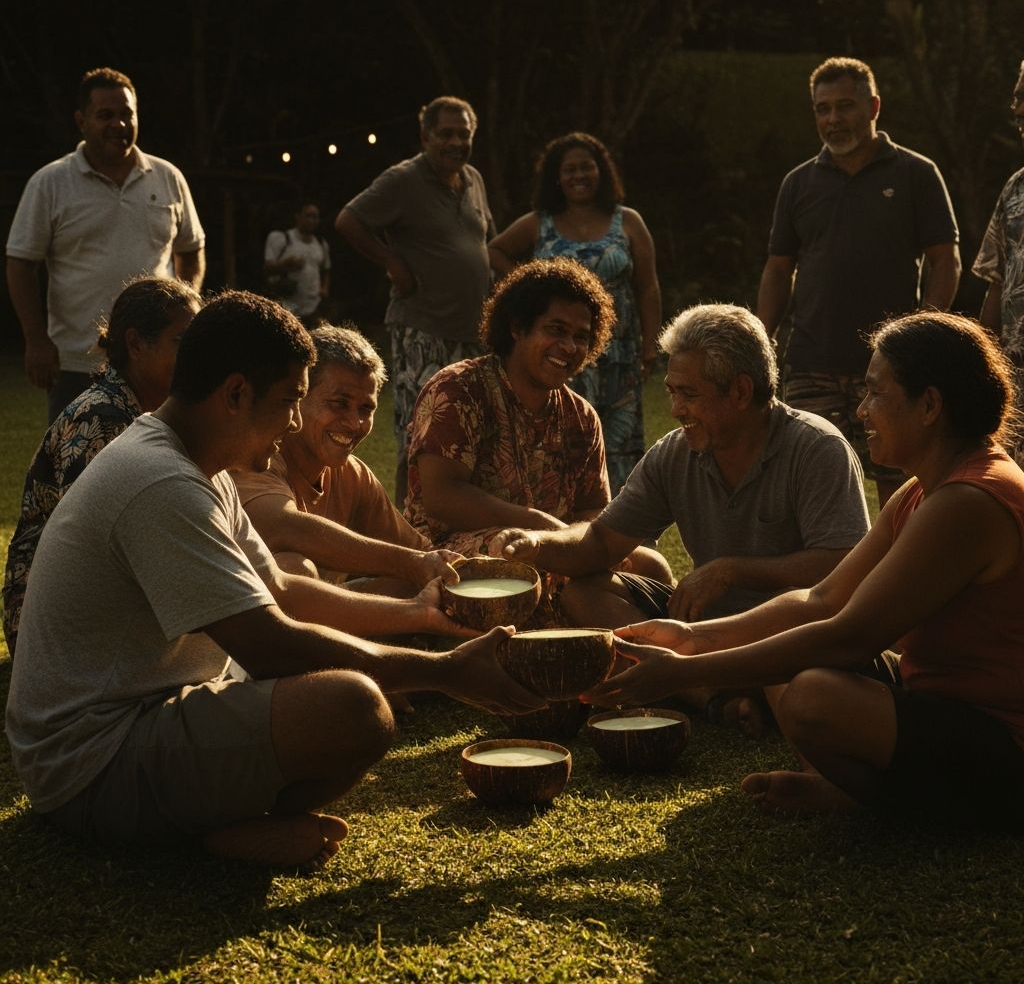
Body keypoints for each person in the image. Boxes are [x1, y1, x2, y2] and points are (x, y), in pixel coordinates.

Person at [5, 290, 544, 871]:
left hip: (150, 714)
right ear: (235, 394)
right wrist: (445, 671)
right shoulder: (160, 480)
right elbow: (270, 643)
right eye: (291, 400)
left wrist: (420, 614)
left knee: (345, 695)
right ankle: (203, 836)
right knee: (354, 707)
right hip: (91, 762)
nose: (294, 420)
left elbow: (282, 593)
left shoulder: (200, 465)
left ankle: (224, 824)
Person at [588, 311, 1024, 831]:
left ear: (929, 405)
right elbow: (819, 599)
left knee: (815, 698)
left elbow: (850, 636)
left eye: (875, 394)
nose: (861, 410)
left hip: (1003, 738)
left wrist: (685, 672)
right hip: (936, 698)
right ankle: (855, 793)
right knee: (800, 664)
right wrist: (692, 637)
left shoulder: (969, 501)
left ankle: (885, 804)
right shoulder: (920, 490)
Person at [495, 303, 869, 731]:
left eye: (688, 394)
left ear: (741, 392)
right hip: (702, 628)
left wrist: (732, 572)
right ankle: (713, 696)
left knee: (807, 678)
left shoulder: (817, 448)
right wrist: (535, 544)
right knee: (586, 592)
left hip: (786, 628)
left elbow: (844, 566)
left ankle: (713, 685)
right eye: (672, 391)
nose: (674, 409)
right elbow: (601, 543)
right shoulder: (675, 453)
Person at [406, 257, 673, 617]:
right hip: (452, 548)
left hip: (552, 545)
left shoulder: (581, 417)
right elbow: (443, 497)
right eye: (556, 330)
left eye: (581, 337)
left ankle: (655, 660)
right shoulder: (458, 389)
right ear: (518, 327)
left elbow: (593, 511)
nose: (569, 346)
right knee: (512, 557)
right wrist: (540, 525)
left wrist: (564, 542)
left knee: (650, 565)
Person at [757, 56, 960, 507]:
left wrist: (925, 332)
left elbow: (944, 258)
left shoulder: (916, 173)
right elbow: (778, 267)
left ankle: (904, 573)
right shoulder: (798, 183)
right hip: (812, 360)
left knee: (902, 484)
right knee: (810, 483)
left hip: (892, 365)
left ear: (873, 107)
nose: (833, 119)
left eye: (845, 106)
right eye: (822, 109)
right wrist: (761, 335)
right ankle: (822, 577)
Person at [2, 276, 202, 655]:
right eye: (182, 342)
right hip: (47, 618)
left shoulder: (149, 410)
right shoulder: (102, 417)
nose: (198, 356)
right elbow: (94, 546)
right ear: (136, 343)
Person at [6, 67, 205, 423]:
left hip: (155, 361)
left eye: (127, 114)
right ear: (82, 121)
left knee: (162, 464)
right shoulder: (51, 182)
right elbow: (21, 263)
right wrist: (35, 339)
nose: (119, 124)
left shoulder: (167, 176)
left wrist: (183, 319)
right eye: (105, 115)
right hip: (76, 363)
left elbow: (191, 249)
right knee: (75, 469)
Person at [335, 96, 495, 505]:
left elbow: (485, 241)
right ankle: (410, 529)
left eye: (464, 134)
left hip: (471, 332)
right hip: (424, 326)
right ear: (425, 136)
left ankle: (454, 520)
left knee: (469, 435)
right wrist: (392, 261)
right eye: (446, 134)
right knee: (421, 433)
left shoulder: (473, 178)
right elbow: (349, 220)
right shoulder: (403, 180)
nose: (455, 142)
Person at [232, 323, 462, 595]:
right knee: (295, 568)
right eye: (339, 404)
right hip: (236, 624)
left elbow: (419, 551)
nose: (355, 423)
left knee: (419, 580)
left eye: (366, 409)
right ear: (299, 396)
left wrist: (487, 565)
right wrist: (411, 565)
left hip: (320, 616)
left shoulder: (353, 475)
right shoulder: (259, 456)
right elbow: (283, 527)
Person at [488, 132, 661, 492]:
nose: (578, 175)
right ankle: (565, 527)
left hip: (619, 354)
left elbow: (648, 286)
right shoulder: (541, 222)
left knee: (620, 441)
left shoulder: (627, 221)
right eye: (569, 169)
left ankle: (625, 533)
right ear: (556, 176)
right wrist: (532, 288)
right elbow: (494, 251)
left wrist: (650, 345)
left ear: (602, 172)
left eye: (587, 166)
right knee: (563, 436)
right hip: (557, 354)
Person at [975, 59, 1024, 460]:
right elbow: (996, 283)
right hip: (1017, 394)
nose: (1019, 110)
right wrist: (979, 364)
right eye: (1017, 99)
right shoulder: (1015, 189)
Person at [263, 201, 331, 327]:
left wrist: (324, 288)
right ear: (298, 216)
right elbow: (267, 268)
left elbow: (326, 269)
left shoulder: (321, 244)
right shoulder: (282, 238)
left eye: (315, 217)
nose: (312, 220)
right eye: (309, 215)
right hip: (286, 306)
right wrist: (286, 264)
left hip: (312, 307)